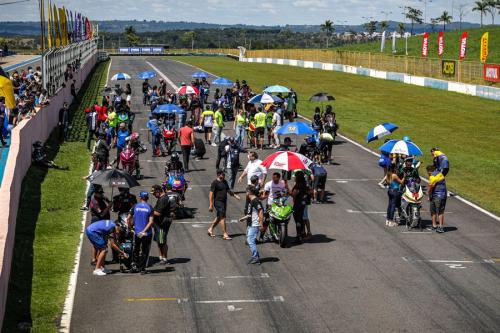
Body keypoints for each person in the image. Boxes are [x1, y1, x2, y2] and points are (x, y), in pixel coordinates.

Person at [207, 169, 241, 240]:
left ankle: (210, 229)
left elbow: (228, 191)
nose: (224, 175)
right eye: (223, 174)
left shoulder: (225, 182)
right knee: (222, 217)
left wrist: (235, 196)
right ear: (219, 175)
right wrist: (211, 205)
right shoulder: (215, 183)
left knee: (219, 217)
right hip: (218, 202)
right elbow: (211, 194)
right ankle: (225, 234)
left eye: (224, 174)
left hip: (224, 202)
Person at [127, 192, 154, 273]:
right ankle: (142, 269)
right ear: (147, 198)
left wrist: (130, 228)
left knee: (136, 249)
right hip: (146, 233)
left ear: (140, 198)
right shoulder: (150, 207)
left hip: (137, 232)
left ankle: (135, 266)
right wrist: (144, 231)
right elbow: (151, 222)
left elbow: (128, 219)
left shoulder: (135, 206)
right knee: (145, 250)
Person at [150, 185, 173, 263]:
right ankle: (160, 257)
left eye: (154, 193)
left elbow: (158, 213)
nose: (153, 195)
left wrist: (148, 211)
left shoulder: (163, 199)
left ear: (158, 191)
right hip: (158, 223)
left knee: (162, 241)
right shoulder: (161, 198)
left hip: (162, 224)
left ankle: (164, 258)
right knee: (159, 241)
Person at [242, 185, 264, 265]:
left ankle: (256, 257)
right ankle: (255, 256)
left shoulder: (255, 201)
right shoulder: (252, 201)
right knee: (249, 240)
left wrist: (261, 224)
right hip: (250, 223)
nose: (246, 193)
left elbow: (261, 211)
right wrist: (244, 218)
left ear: (249, 192)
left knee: (250, 240)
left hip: (254, 224)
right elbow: (251, 213)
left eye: (246, 191)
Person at [291, 171, 312, 243]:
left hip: (299, 204)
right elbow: (310, 192)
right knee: (303, 218)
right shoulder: (305, 184)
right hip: (304, 204)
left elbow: (294, 194)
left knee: (300, 219)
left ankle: (301, 235)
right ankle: (303, 233)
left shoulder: (298, 185)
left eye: (295, 176)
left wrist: (289, 191)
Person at [427, 165, 447, 233]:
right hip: (441, 195)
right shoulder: (440, 174)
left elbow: (430, 187)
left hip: (438, 196)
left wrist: (428, 194)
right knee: (434, 211)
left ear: (429, 171)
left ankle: (440, 227)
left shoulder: (432, 176)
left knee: (438, 211)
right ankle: (434, 225)